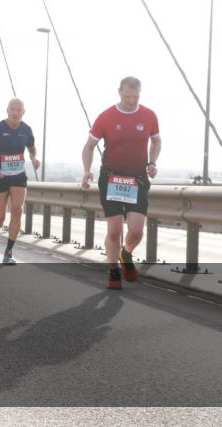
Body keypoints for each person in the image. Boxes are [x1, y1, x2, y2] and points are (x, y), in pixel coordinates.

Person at [80, 76, 161, 291]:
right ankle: (113, 271)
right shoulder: (106, 116)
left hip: (137, 180)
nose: (132, 101)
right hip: (112, 178)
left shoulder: (149, 115)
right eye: (127, 97)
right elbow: (89, 146)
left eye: (136, 97)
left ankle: (126, 253)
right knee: (114, 230)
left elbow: (156, 141)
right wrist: (87, 171)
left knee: (136, 230)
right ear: (119, 92)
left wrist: (152, 162)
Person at [0, 98, 40, 264]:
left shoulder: (26, 129)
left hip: (18, 176)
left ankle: (8, 252)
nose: (15, 113)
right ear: (7, 110)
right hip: (0, 177)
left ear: (23, 112)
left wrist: (34, 158)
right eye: (12, 109)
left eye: (18, 110)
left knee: (17, 211)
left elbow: (32, 148)